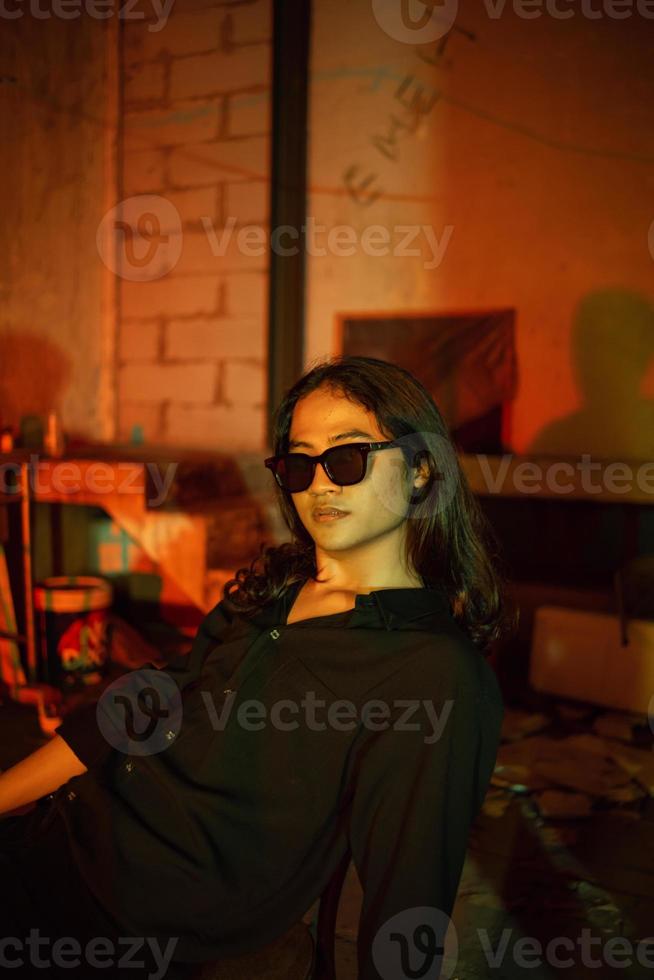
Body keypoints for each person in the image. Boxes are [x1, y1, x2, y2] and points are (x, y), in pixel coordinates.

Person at [0, 355, 515, 980]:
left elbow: (408, 898)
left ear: (421, 468)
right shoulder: (273, 587)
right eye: (300, 463)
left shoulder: (432, 672)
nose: (319, 485)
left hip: (126, 923)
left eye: (348, 457)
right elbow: (143, 702)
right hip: (57, 837)